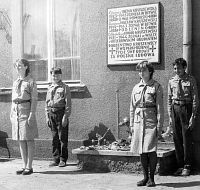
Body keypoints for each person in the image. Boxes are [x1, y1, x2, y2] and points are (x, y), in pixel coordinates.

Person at [130, 60, 164, 187]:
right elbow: (132, 107)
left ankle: (152, 179)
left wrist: (159, 126)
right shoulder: (135, 88)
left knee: (151, 150)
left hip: (150, 122)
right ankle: (144, 178)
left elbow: (160, 109)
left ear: (150, 71)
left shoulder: (156, 87)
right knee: (142, 151)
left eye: (143, 70)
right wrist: (132, 125)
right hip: (139, 122)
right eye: (139, 70)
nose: (141, 72)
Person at [163, 58, 199, 176]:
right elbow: (169, 99)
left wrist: (192, 116)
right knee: (177, 138)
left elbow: (195, 99)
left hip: (186, 108)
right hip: (175, 108)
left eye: (178, 68)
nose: (176, 70)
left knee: (186, 138)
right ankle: (180, 165)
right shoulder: (171, 81)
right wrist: (170, 116)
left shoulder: (190, 79)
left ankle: (187, 166)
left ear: (184, 68)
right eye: (174, 68)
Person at [10, 59, 38, 175]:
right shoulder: (16, 82)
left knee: (29, 139)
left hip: (26, 112)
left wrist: (32, 113)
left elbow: (34, 99)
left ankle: (29, 166)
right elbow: (13, 99)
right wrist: (11, 113)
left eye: (20, 66)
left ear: (26, 67)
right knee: (21, 139)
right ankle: (24, 165)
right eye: (16, 66)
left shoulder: (30, 81)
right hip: (16, 113)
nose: (18, 68)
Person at [45, 67, 71, 167]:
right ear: (51, 76)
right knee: (54, 137)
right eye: (53, 75)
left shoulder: (65, 87)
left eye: (57, 75)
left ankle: (63, 159)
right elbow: (46, 103)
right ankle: (56, 159)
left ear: (61, 75)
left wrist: (66, 116)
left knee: (63, 138)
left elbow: (68, 104)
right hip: (52, 114)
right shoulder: (50, 87)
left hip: (61, 114)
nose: (55, 77)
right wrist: (47, 116)